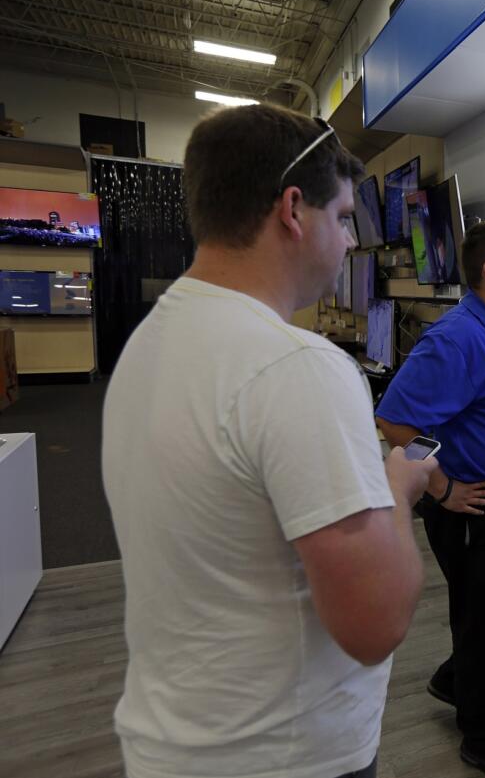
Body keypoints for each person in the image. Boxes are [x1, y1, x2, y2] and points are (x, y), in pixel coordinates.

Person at [101, 104, 435, 778]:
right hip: (286, 754)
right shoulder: (299, 368)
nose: (349, 243)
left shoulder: (149, 341)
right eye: (342, 218)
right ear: (292, 209)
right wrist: (398, 488)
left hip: (175, 741)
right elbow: (376, 623)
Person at [375, 219, 485, 778]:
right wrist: (441, 487)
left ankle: (459, 678)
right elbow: (397, 420)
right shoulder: (455, 338)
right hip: (475, 505)